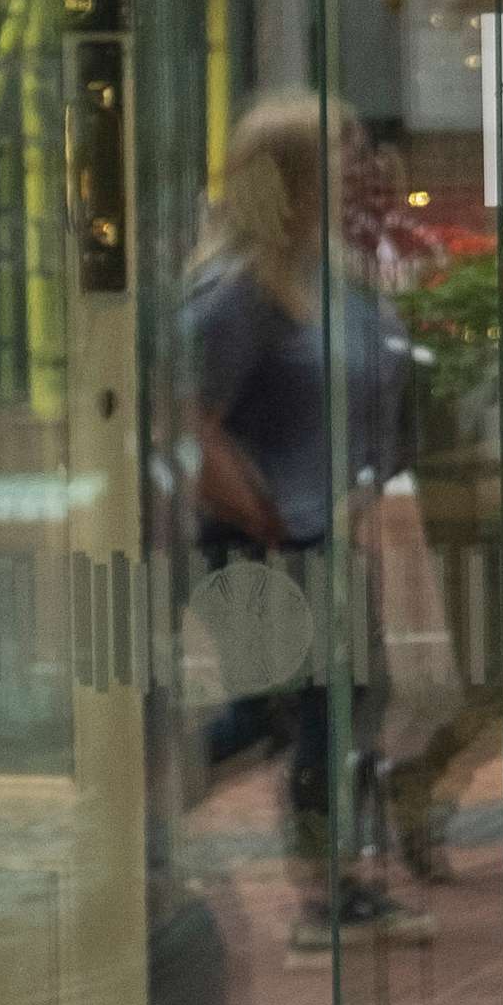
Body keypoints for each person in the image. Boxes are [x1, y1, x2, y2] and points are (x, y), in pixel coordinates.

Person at [178, 93, 420, 952]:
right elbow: (183, 421)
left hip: (322, 534)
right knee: (293, 717)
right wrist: (264, 516)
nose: (361, 164)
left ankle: (330, 886)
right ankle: (325, 892)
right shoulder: (239, 294)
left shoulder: (328, 275)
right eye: (340, 151)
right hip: (268, 541)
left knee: (321, 712)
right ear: (289, 176)